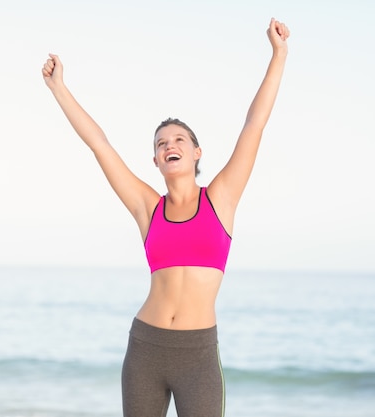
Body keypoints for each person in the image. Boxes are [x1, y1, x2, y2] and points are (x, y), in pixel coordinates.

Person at [42, 17, 290, 417]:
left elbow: (254, 124)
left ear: (196, 153)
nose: (169, 145)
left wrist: (278, 55)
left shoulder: (221, 199)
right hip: (146, 350)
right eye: (161, 143)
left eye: (179, 139)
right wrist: (59, 89)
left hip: (197, 354)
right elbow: (99, 144)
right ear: (156, 160)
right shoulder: (148, 208)